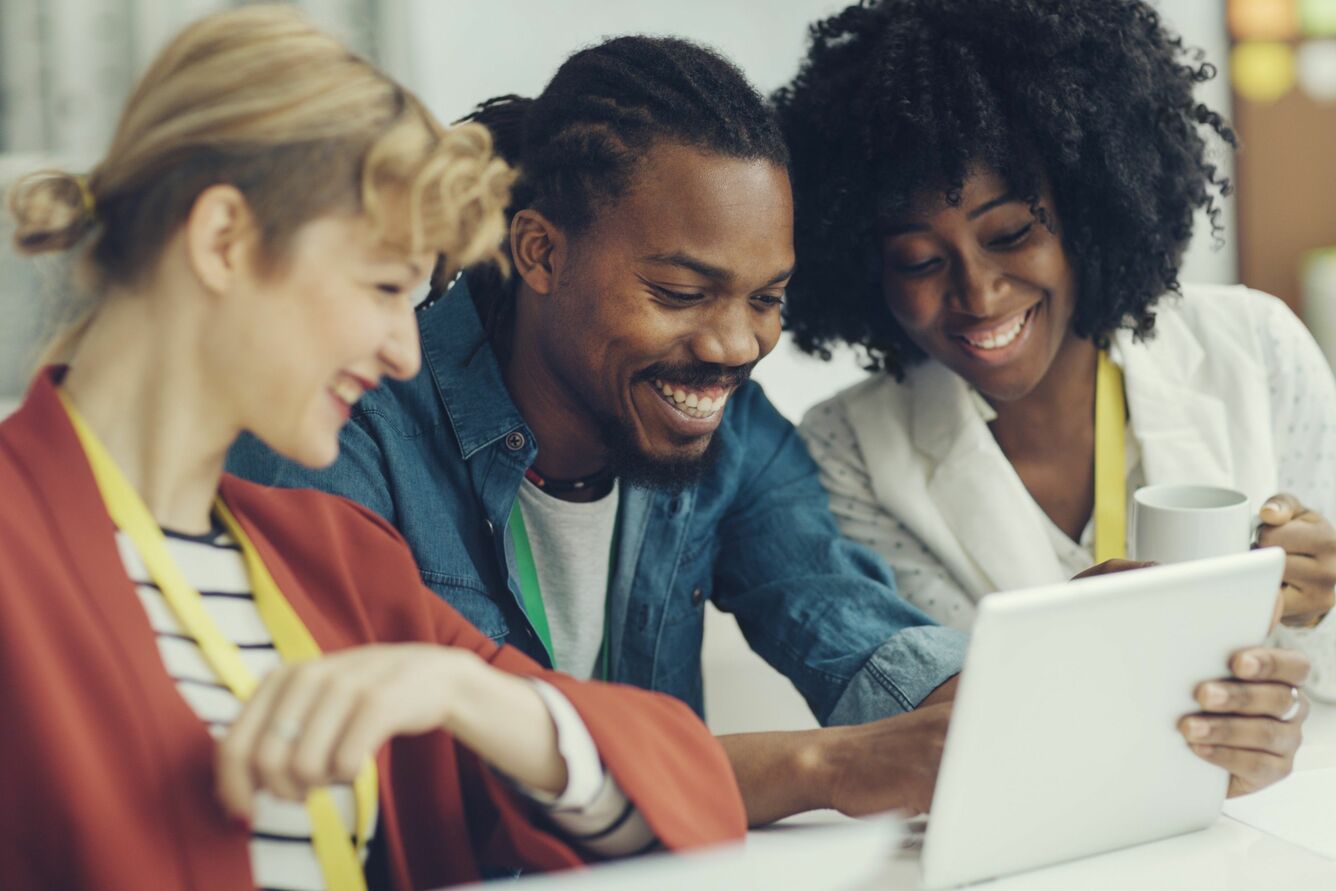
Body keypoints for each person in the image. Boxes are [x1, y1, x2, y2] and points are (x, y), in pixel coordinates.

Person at [0, 8, 746, 889]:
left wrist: (464, 690)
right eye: (385, 284)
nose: (405, 352)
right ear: (224, 241)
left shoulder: (339, 561)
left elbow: (678, 789)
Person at [228, 34, 968, 825]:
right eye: (680, 292)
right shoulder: (340, 431)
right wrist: (822, 765)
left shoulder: (732, 434)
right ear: (541, 253)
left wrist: (981, 705)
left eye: (765, 299)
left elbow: (849, 622)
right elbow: (412, 781)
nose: (735, 346)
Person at [780, 0, 1320, 786]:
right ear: (868, 270)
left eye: (1010, 234)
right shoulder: (849, 450)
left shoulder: (1254, 347)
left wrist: (1317, 606)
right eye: (920, 260)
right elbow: (924, 722)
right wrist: (1072, 640)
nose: (978, 293)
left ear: (1087, 208)